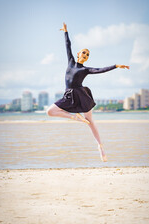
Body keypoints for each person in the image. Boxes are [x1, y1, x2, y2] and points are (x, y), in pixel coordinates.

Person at [47, 23, 129, 162]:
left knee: (91, 122)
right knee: (50, 111)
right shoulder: (71, 62)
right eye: (84, 52)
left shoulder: (85, 69)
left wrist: (116, 66)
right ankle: (76, 118)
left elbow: (100, 70)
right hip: (68, 95)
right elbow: (68, 45)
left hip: (81, 95)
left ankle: (100, 147)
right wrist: (66, 32)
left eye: (87, 55)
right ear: (79, 54)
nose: (85, 55)